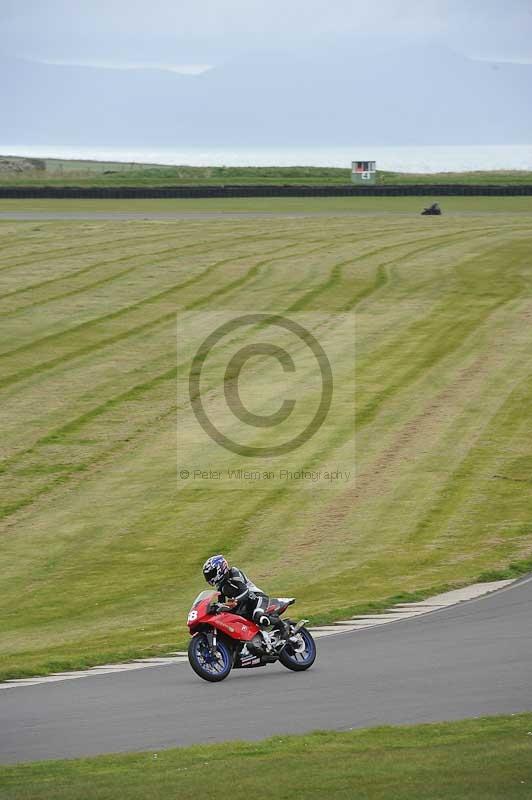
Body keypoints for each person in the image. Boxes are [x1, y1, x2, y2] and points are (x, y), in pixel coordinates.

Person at [202, 554, 289, 647]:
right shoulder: (221, 586)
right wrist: (214, 608)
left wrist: (234, 601)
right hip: (243, 605)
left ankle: (283, 626)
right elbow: (222, 603)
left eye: (211, 574)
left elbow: (245, 592)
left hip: (256, 598)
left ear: (220, 568)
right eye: (208, 575)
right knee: (231, 621)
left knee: (258, 616)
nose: (210, 577)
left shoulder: (234, 572)